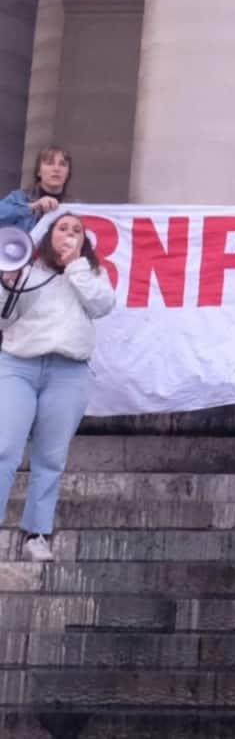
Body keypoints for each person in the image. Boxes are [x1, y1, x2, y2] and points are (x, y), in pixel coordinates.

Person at [0, 212, 115, 561]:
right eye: (62, 229)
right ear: (48, 237)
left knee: (51, 456)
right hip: (19, 365)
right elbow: (4, 316)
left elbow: (102, 305)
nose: (68, 235)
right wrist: (7, 280)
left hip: (68, 372)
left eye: (76, 231)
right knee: (4, 447)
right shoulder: (27, 272)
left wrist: (76, 266)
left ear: (84, 240)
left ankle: (37, 533)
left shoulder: (93, 273)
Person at [0, 146, 71, 232]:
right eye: (49, 163)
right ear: (38, 171)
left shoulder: (74, 206)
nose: (56, 169)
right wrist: (32, 207)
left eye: (63, 164)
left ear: (68, 173)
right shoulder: (19, 198)